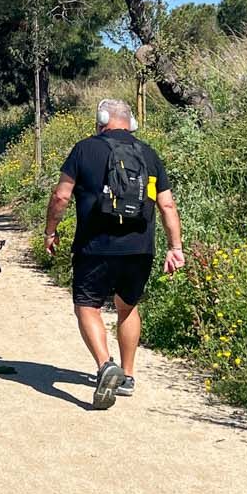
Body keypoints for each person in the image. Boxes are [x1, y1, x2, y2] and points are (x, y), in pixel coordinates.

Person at [43, 100, 185, 410]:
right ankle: (129, 376)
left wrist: (50, 231)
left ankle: (106, 365)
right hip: (139, 247)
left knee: (87, 305)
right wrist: (176, 248)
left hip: (95, 246)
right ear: (130, 122)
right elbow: (168, 205)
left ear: (102, 119)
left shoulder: (84, 150)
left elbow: (61, 195)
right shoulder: (149, 154)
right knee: (127, 307)